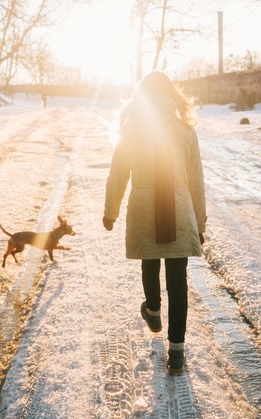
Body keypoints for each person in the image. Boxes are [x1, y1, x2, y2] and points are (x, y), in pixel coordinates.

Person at [103, 72, 207, 375]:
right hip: (179, 212)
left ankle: (153, 310)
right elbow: (196, 182)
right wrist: (199, 223)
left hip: (144, 210)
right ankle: (176, 352)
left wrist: (110, 211)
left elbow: (118, 173)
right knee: (178, 281)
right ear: (171, 95)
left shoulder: (132, 129)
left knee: (149, 262)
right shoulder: (186, 130)